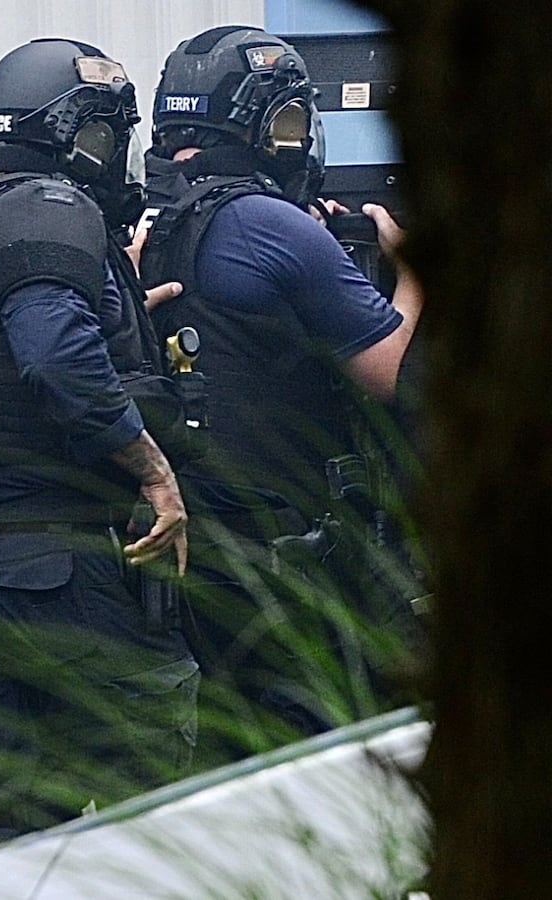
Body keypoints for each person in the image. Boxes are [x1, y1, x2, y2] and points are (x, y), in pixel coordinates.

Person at [0, 39, 201, 848]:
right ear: (80, 133)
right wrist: (155, 472)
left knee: (21, 842)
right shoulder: (50, 205)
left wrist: (112, 293)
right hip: (60, 576)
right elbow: (54, 356)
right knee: (152, 829)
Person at [134, 25, 424, 764]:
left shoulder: (150, 226)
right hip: (288, 562)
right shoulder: (271, 223)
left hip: (197, 556)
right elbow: (394, 372)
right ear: (264, 124)